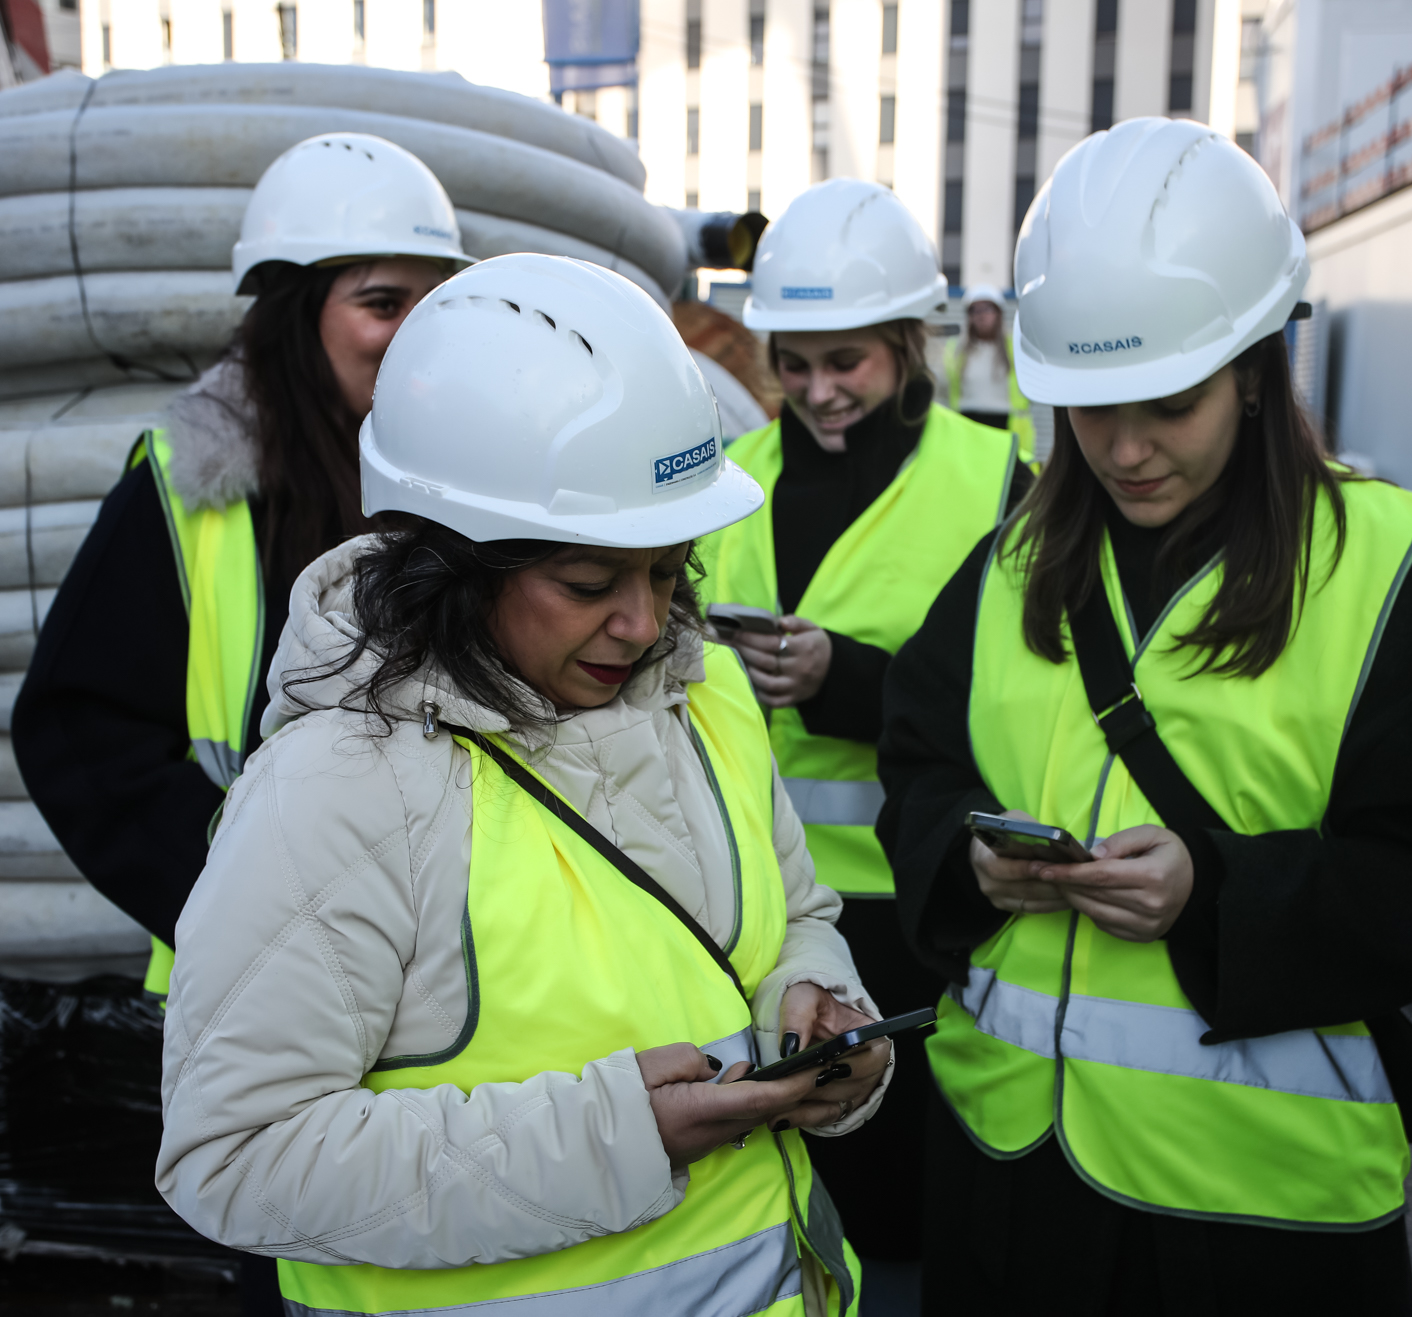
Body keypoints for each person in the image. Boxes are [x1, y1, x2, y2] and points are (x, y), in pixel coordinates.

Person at [877, 118, 1412, 1315]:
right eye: (1090, 409)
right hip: (1006, 1180)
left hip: (1260, 1220)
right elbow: (919, 761)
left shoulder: (1375, 568)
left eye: (1168, 403)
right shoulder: (1011, 564)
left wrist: (1217, 893)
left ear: (1254, 368)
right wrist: (970, 863)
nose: (1125, 450)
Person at [155, 254, 890, 1317]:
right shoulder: (340, 789)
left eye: (669, 568)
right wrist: (612, 1138)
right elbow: (237, 1156)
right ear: (450, 560)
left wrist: (816, 1012)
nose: (644, 623)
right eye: (589, 583)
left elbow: (796, 921)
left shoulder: (707, 693)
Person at [13, 131, 471, 1313]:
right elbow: (78, 730)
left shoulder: (478, 479)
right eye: (381, 302)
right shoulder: (195, 482)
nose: (411, 331)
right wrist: (253, 901)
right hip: (261, 994)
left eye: (434, 303)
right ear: (293, 311)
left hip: (464, 974)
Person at [696, 178, 1033, 1273]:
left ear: (907, 342)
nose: (816, 391)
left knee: (910, 1215)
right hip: (759, 917)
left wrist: (848, 683)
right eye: (792, 364)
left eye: (846, 363)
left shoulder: (995, 483)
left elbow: (1033, 705)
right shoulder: (727, 482)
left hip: (927, 906)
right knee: (779, 1199)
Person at [941, 283, 1035, 462]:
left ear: (998, 313)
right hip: (967, 424)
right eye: (974, 310)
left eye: (987, 309)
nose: (981, 315)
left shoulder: (1016, 349)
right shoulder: (956, 350)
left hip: (1005, 426)